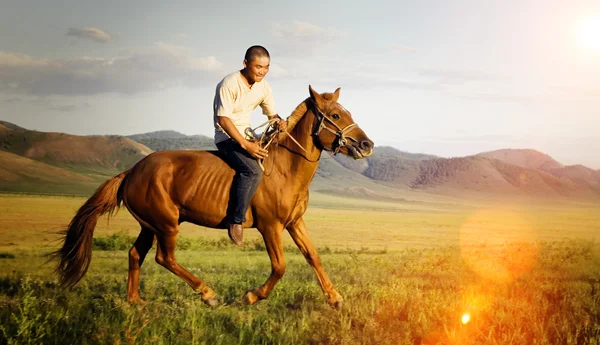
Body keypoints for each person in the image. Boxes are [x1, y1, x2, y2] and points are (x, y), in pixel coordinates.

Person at [213, 45, 287, 247]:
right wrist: (246, 145)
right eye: (258, 66)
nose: (262, 71)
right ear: (246, 64)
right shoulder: (229, 83)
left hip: (248, 134)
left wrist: (279, 122)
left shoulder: (264, 86)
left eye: (266, 67)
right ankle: (236, 220)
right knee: (252, 171)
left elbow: (272, 115)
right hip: (226, 137)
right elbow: (224, 119)